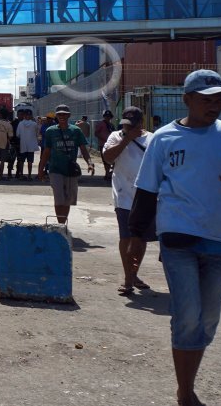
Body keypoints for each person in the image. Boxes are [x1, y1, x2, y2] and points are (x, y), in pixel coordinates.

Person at [127, 69, 221, 406]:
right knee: (186, 318)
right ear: (186, 99)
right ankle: (185, 401)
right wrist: (136, 239)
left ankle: (186, 388)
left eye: (219, 100)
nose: (214, 106)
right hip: (178, 238)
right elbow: (147, 192)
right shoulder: (165, 139)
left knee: (206, 322)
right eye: (207, 100)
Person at [100, 106, 154, 294]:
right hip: (123, 194)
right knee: (126, 237)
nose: (128, 128)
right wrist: (127, 140)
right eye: (125, 125)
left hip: (145, 196)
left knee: (140, 238)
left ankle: (134, 273)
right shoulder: (116, 136)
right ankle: (128, 278)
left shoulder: (152, 139)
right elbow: (107, 158)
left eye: (132, 126)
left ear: (141, 123)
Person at [37, 104, 95, 225]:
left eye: (64, 114)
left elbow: (83, 149)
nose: (62, 116)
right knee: (59, 198)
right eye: (59, 114)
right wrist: (40, 169)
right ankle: (61, 226)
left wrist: (90, 163)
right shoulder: (50, 131)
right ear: (56, 116)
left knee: (67, 200)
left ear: (69, 115)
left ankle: (62, 224)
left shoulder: (76, 131)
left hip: (70, 169)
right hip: (55, 169)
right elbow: (46, 151)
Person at [14, 109, 40, 180]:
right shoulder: (34, 124)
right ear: (31, 115)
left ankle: (21, 175)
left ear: (24, 116)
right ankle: (29, 175)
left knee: (22, 161)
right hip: (31, 146)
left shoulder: (20, 123)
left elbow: (18, 134)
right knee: (30, 161)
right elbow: (37, 134)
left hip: (23, 145)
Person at [0, 109, 15, 180]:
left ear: (0, 115)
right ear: (7, 116)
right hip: (5, 144)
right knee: (2, 161)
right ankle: (1, 175)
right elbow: (10, 136)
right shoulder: (9, 125)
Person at [93, 110, 114, 180]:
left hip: (111, 145)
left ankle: (109, 173)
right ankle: (107, 173)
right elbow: (96, 133)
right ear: (104, 117)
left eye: (109, 116)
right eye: (106, 116)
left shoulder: (111, 125)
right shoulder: (101, 124)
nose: (108, 118)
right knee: (105, 159)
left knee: (111, 159)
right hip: (103, 144)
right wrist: (103, 138)